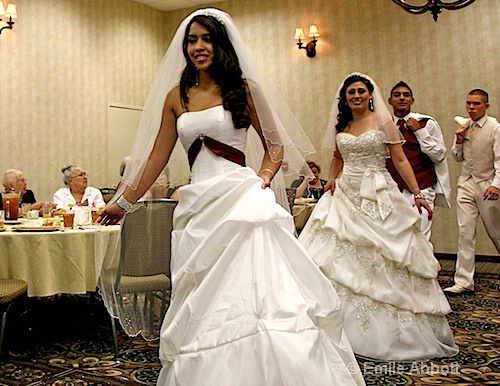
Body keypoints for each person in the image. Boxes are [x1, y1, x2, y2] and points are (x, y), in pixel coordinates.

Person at [98, 9, 364, 385]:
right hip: (198, 205)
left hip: (242, 198)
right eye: (192, 40)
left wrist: (264, 179)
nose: (198, 47)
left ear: (220, 44)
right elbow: (157, 156)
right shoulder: (177, 96)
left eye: (206, 39)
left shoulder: (244, 88)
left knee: (257, 290)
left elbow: (275, 146)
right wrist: (124, 202)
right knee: (203, 294)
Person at [299, 73, 458, 361]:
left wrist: (417, 193)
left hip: (379, 194)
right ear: (344, 98)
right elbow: (337, 157)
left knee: (386, 256)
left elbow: (399, 159)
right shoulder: (342, 124)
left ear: (370, 95)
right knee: (338, 254)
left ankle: (392, 331)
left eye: (361, 91)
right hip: (346, 192)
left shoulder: (383, 123)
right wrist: (332, 179)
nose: (356, 96)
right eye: (351, 92)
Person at [444, 89, 500, 295]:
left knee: (496, 232)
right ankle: (464, 281)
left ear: (486, 106)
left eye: (476, 104)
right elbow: (458, 158)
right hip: (466, 184)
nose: (471, 108)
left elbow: (499, 159)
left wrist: (496, 184)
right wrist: (458, 140)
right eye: (468, 103)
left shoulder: (495, 128)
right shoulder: (464, 126)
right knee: (465, 233)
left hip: (487, 184)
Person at [386, 81, 451, 240]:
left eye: (406, 95)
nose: (402, 98)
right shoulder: (384, 127)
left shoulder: (427, 123)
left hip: (422, 187)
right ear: (389, 101)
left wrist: (420, 132)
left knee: (420, 238)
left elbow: (439, 155)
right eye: (397, 95)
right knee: (395, 240)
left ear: (412, 101)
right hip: (393, 190)